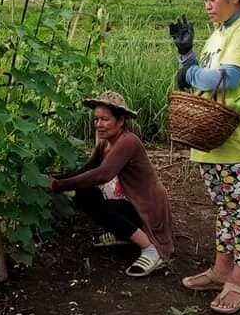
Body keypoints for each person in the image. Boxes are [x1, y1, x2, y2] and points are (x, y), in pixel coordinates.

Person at [168, 0, 240, 314]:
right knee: (225, 209)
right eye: (203, 0)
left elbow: (224, 79)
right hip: (213, 138)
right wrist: (186, 56)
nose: (207, 6)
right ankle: (219, 270)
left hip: (239, 140)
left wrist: (190, 72)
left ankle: (238, 280)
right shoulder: (220, 33)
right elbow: (200, 78)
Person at [48, 91, 173, 277]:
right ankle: (125, 234)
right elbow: (87, 169)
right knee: (86, 195)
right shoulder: (105, 144)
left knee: (103, 210)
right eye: (96, 119)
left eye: (105, 119)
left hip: (149, 205)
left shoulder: (128, 141)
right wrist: (56, 178)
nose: (99, 124)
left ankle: (151, 249)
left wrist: (59, 186)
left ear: (120, 120)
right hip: (134, 203)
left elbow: (103, 174)